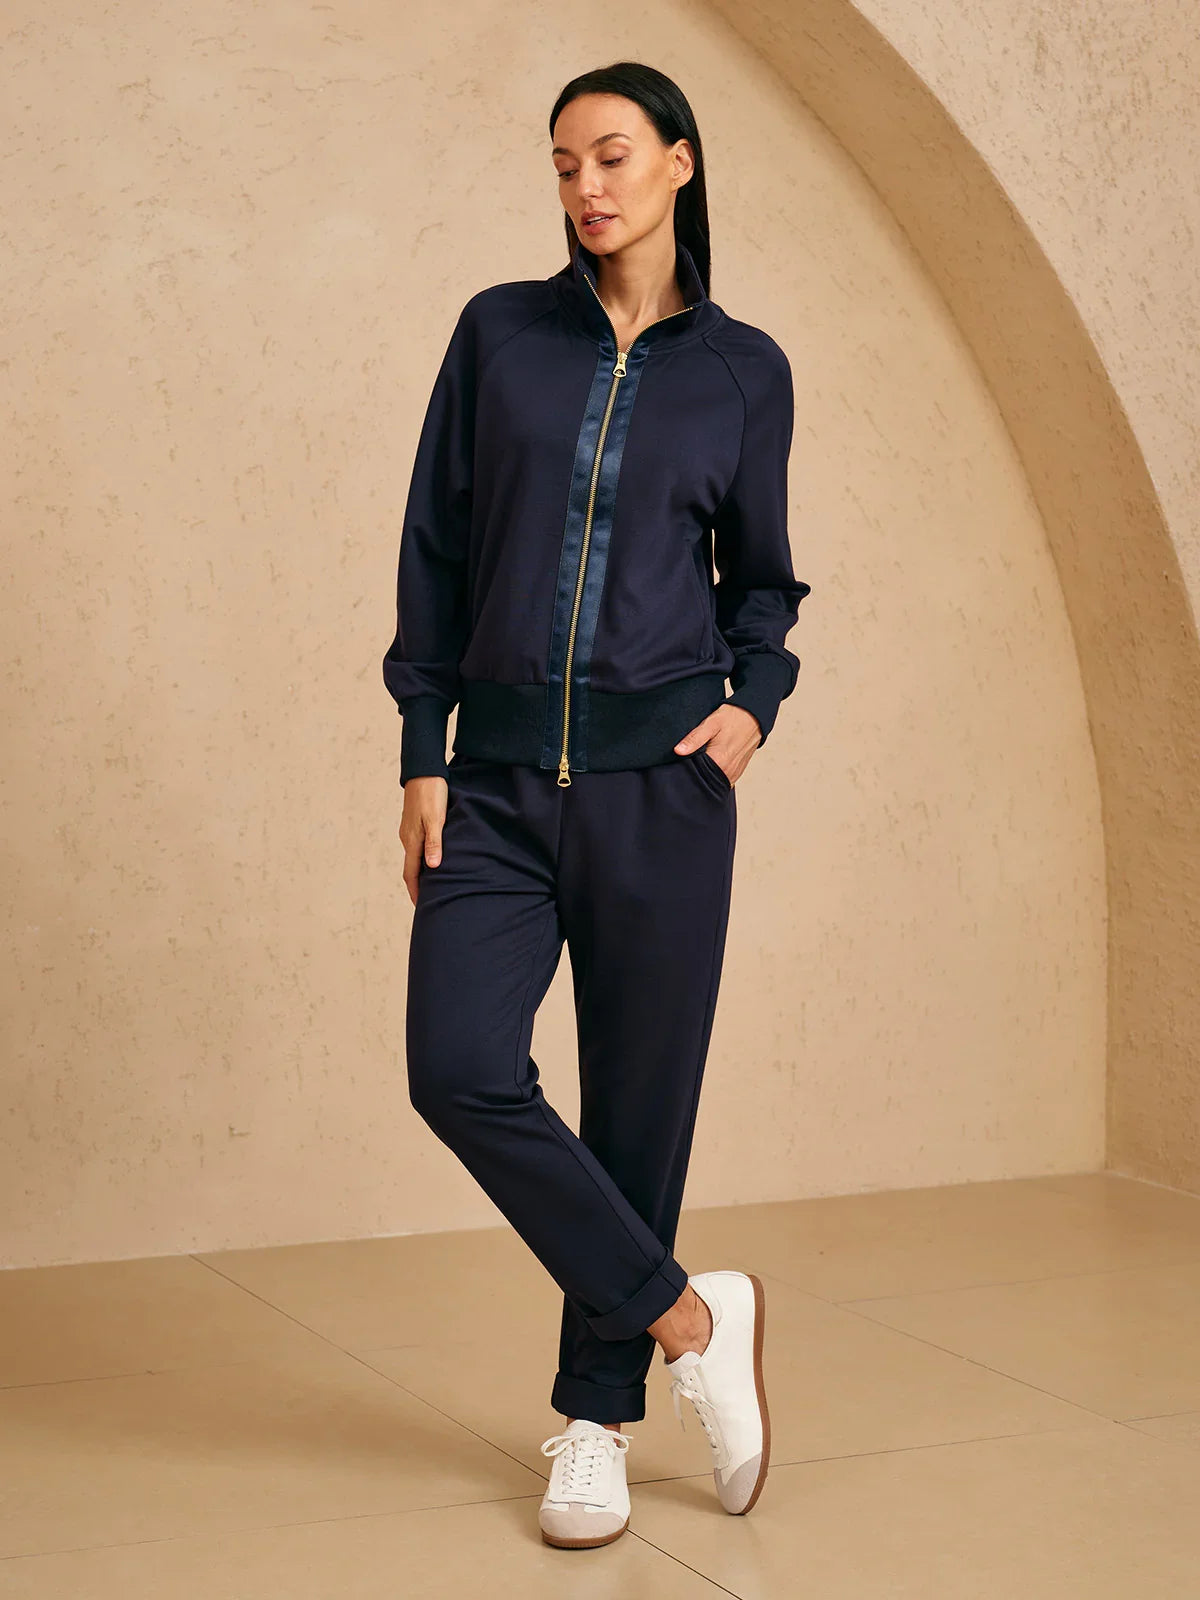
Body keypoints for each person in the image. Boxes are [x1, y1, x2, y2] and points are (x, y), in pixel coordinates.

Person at [382, 60, 811, 1550]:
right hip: (497, 786)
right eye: (564, 164)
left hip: (662, 797)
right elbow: (436, 542)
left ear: (680, 163)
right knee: (458, 1067)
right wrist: (424, 748)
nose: (586, 187)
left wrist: (751, 708)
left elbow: (761, 581)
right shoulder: (501, 335)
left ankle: (596, 1420)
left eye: (613, 156)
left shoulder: (744, 371)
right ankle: (694, 1319)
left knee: (639, 1114)